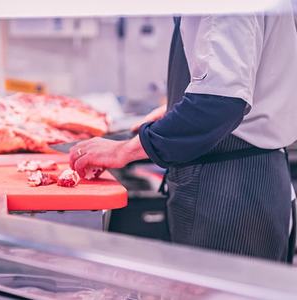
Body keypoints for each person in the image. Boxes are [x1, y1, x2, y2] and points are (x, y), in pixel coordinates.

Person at [69, 8, 297, 263]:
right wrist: (176, 110)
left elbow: (218, 103)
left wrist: (123, 150)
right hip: (252, 174)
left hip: (228, 186)